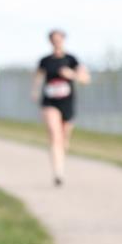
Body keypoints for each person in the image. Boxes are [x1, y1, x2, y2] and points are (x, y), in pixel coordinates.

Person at [32, 30, 90, 186]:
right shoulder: (45, 61)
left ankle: (61, 164)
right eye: (53, 39)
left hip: (67, 102)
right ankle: (58, 172)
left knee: (64, 139)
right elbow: (38, 77)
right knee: (54, 134)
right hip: (50, 102)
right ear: (50, 41)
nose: (56, 42)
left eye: (59, 39)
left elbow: (85, 79)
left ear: (63, 40)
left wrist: (71, 74)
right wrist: (35, 91)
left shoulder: (72, 59)